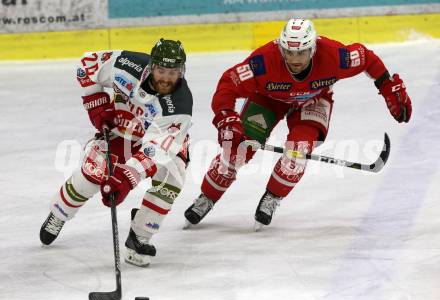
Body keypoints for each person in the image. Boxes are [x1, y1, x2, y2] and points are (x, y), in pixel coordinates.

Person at [184, 18, 412, 230]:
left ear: (312, 48)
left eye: (301, 52)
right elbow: (228, 83)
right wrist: (226, 117)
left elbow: (366, 58)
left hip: (313, 99)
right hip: (268, 100)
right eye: (289, 52)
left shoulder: (334, 56)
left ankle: (273, 196)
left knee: (298, 152)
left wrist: (387, 87)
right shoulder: (263, 62)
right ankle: (208, 196)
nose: (294, 59)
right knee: (235, 152)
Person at [40, 38, 193, 267]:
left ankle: (139, 237)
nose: (166, 78)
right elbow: (87, 64)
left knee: (172, 177)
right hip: (121, 133)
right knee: (93, 174)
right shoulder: (127, 64)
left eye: (173, 72)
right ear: (152, 66)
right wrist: (96, 103)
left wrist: (126, 177)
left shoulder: (180, 105)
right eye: (161, 70)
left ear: (181, 72)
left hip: (158, 145)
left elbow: (156, 153)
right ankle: (59, 213)